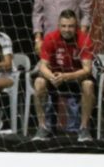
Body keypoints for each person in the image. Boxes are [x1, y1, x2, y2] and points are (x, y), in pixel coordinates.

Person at [32, 0, 93, 132]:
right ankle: (47, 128)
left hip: (73, 44)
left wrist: (80, 38)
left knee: (76, 86)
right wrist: (38, 38)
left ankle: (76, 130)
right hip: (49, 44)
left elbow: (86, 13)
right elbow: (37, 13)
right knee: (46, 81)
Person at [33, 9, 95, 143]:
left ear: (76, 26)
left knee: (89, 84)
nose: (67, 30)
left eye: (71, 26)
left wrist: (66, 76)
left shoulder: (84, 39)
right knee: (39, 82)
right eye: (64, 26)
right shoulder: (50, 38)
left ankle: (84, 128)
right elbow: (43, 66)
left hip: (75, 78)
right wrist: (51, 77)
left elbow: (87, 70)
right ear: (59, 25)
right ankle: (42, 127)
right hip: (55, 77)